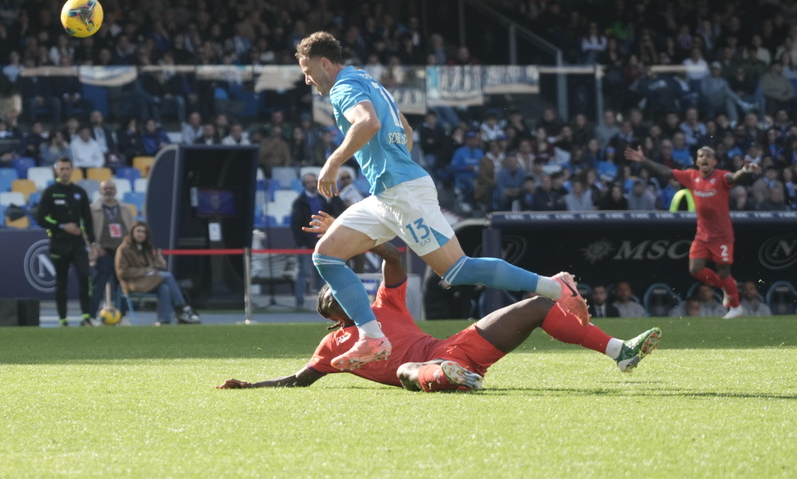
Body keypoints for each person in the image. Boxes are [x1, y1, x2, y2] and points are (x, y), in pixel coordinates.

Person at [294, 31, 589, 371]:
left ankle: (554, 286)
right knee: (327, 255)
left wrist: (332, 162)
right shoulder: (364, 78)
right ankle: (371, 336)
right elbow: (404, 129)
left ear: (325, 63)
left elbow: (369, 122)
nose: (307, 79)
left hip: (402, 192)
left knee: (457, 269)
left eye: (307, 69)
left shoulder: (344, 87)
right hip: (389, 193)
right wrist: (391, 161)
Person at [218, 212, 660, 392]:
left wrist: (343, 233)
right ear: (331, 313)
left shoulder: (383, 307)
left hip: (456, 345)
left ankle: (621, 352)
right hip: (432, 365)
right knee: (407, 371)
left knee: (539, 306)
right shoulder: (335, 346)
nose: (345, 286)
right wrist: (249, 386)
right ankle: (451, 378)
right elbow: (300, 380)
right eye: (337, 289)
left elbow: (392, 254)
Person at [625, 144, 761, 318]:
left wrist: (745, 170)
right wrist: (644, 160)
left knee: (723, 271)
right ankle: (727, 286)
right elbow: (667, 172)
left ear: (714, 162)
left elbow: (734, 177)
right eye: (700, 156)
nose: (704, 158)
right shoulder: (691, 176)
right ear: (697, 161)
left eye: (707, 156)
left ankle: (735, 306)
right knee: (695, 269)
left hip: (722, 235)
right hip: (703, 234)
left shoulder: (720, 176)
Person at [35, 157, 97, 326]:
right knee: (61, 282)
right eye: (61, 169)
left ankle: (86, 317)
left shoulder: (80, 192)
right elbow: (40, 218)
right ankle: (63, 318)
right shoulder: (50, 192)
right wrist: (62, 226)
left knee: (85, 276)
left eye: (67, 168)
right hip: (59, 242)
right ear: (56, 170)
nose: (64, 172)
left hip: (77, 243)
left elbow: (88, 219)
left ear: (72, 170)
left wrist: (92, 243)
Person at [115, 221, 201, 326]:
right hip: (132, 283)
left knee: (164, 287)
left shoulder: (147, 248)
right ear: (132, 232)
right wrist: (144, 271)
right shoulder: (124, 249)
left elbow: (153, 268)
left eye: (143, 232)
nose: (141, 234)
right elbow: (122, 272)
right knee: (167, 276)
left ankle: (164, 321)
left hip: (147, 281)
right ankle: (181, 307)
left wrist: (159, 263)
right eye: (138, 231)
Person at [290, 173, 342, 309]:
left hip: (321, 241)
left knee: (321, 272)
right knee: (303, 272)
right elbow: (296, 225)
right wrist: (301, 243)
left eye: (314, 181)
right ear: (304, 184)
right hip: (306, 244)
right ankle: (299, 301)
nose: (312, 184)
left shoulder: (322, 200)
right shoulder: (299, 202)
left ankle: (323, 302)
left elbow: (333, 214)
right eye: (309, 182)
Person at [89, 179, 136, 322]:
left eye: (111, 188)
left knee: (121, 283)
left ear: (115, 191)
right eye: (105, 188)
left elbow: (132, 229)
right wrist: (94, 247)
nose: (108, 191)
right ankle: (90, 315)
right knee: (99, 283)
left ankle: (121, 314)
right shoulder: (93, 209)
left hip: (121, 252)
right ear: (100, 191)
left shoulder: (125, 208)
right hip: (103, 251)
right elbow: (87, 231)